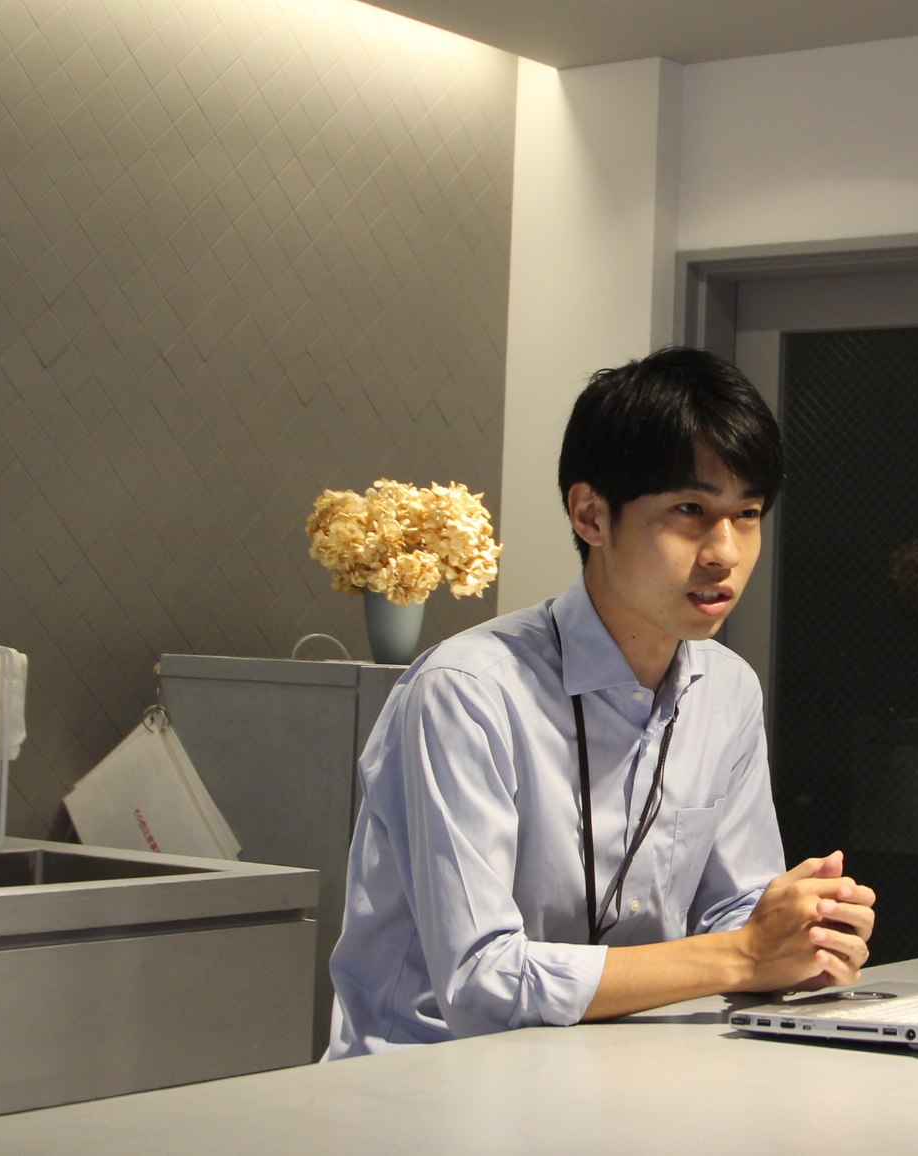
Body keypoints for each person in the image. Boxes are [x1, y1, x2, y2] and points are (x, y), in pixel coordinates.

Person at [326, 346, 876, 1057]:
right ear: (590, 515)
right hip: (425, 1085)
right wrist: (746, 954)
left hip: (624, 1072)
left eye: (747, 514)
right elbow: (481, 983)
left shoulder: (728, 689)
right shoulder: (466, 692)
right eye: (690, 510)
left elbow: (737, 915)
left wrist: (803, 941)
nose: (725, 552)